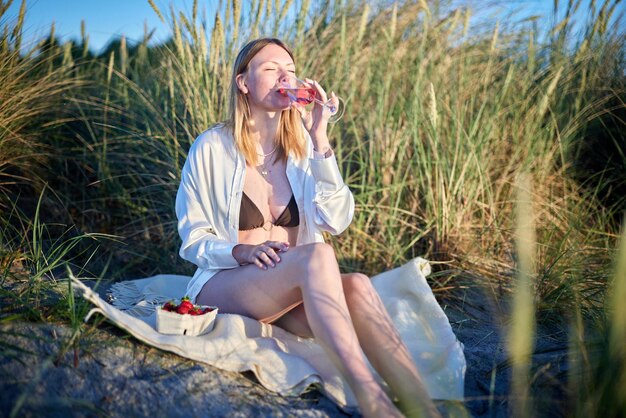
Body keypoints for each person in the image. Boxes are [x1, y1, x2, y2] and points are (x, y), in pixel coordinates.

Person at [175, 38, 440, 418]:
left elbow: (337, 219)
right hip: (227, 282)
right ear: (243, 83)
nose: (286, 76)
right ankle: (374, 403)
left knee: (360, 286)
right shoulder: (212, 147)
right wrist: (241, 251)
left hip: (286, 294)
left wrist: (319, 138)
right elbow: (193, 237)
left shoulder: (303, 147)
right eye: (271, 69)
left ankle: (423, 408)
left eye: (291, 70)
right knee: (318, 256)